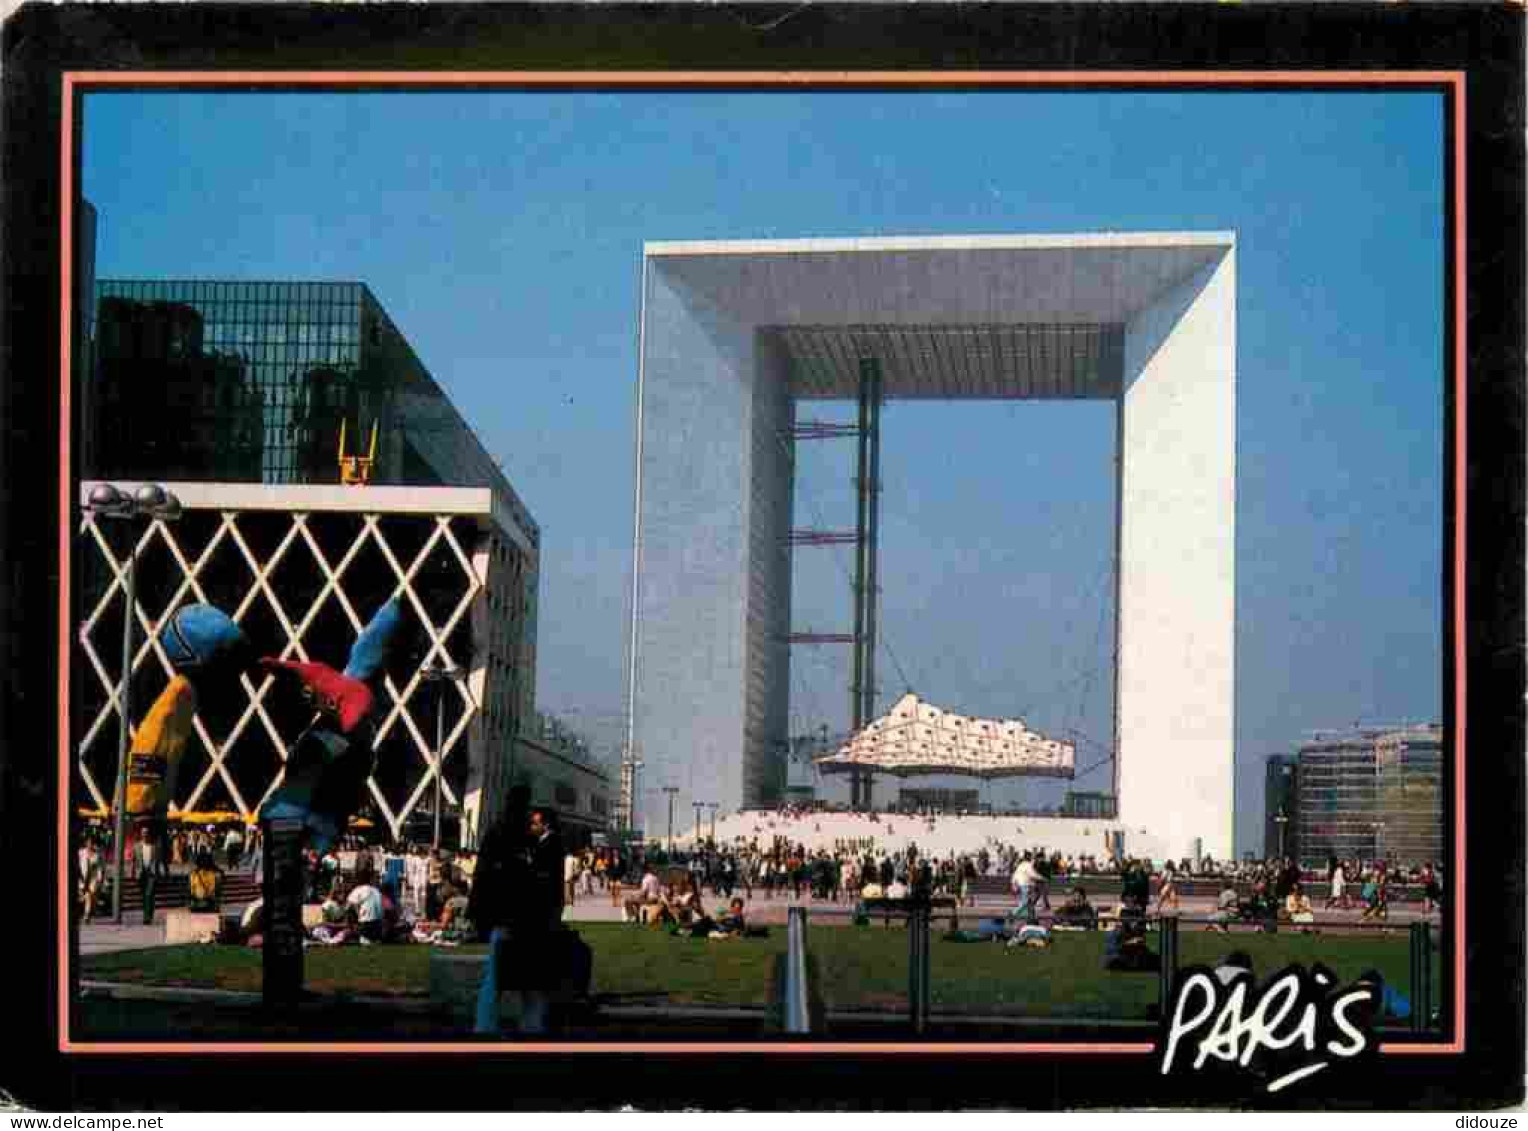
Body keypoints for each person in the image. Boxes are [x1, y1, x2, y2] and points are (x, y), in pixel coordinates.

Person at [345, 869, 386, 944]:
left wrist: (358, 917)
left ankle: (360, 935)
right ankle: (374, 937)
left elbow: (347, 907)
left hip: (366, 923)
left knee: (349, 910)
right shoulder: (376, 890)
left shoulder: (358, 890)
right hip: (379, 924)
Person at [134, 822, 161, 925]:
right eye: (143, 832)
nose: (145, 834)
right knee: (144, 896)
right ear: (141, 834)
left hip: (151, 874)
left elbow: (157, 861)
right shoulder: (137, 846)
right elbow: (134, 861)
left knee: (149, 894)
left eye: (146, 832)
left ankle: (147, 917)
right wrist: (134, 874)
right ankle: (148, 913)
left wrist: (158, 873)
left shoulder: (154, 847)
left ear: (149, 834)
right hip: (141, 873)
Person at [78, 839, 104, 922]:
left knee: (90, 894)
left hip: (93, 878)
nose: (90, 845)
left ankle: (87, 913)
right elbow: (77, 864)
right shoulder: (81, 853)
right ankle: (87, 914)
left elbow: (100, 867)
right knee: (87, 896)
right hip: (83, 877)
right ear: (86, 843)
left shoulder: (97, 855)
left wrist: (100, 878)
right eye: (89, 843)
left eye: (92, 843)